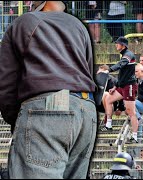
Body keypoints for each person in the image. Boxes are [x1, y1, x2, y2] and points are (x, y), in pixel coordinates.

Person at [0, 1, 97, 178]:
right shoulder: (77, 25)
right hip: (85, 109)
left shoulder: (24, 22)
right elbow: (88, 69)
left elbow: (7, 81)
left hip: (47, 108)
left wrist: (15, 119)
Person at [103, 36, 139, 143]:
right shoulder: (123, 54)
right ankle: (108, 124)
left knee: (130, 112)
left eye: (117, 43)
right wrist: (115, 86)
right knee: (108, 99)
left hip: (129, 86)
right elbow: (123, 73)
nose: (116, 45)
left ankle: (135, 136)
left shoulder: (128, 55)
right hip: (122, 86)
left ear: (123, 45)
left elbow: (121, 64)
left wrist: (109, 70)